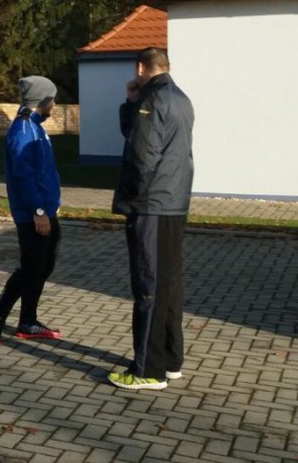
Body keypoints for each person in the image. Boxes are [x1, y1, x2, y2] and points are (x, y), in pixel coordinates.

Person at [107, 47, 194, 391]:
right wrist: (131, 99)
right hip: (174, 204)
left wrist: (132, 201)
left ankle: (148, 369)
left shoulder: (153, 99)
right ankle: (170, 360)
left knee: (148, 288)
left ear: (141, 67)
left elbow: (141, 155)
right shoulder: (181, 98)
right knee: (168, 286)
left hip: (151, 206)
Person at [0, 76, 63, 346]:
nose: (55, 103)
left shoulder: (36, 127)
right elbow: (23, 176)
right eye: (52, 98)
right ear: (43, 100)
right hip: (33, 214)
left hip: (46, 211)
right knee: (30, 269)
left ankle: (28, 320)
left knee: (44, 266)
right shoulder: (22, 129)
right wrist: (38, 211)